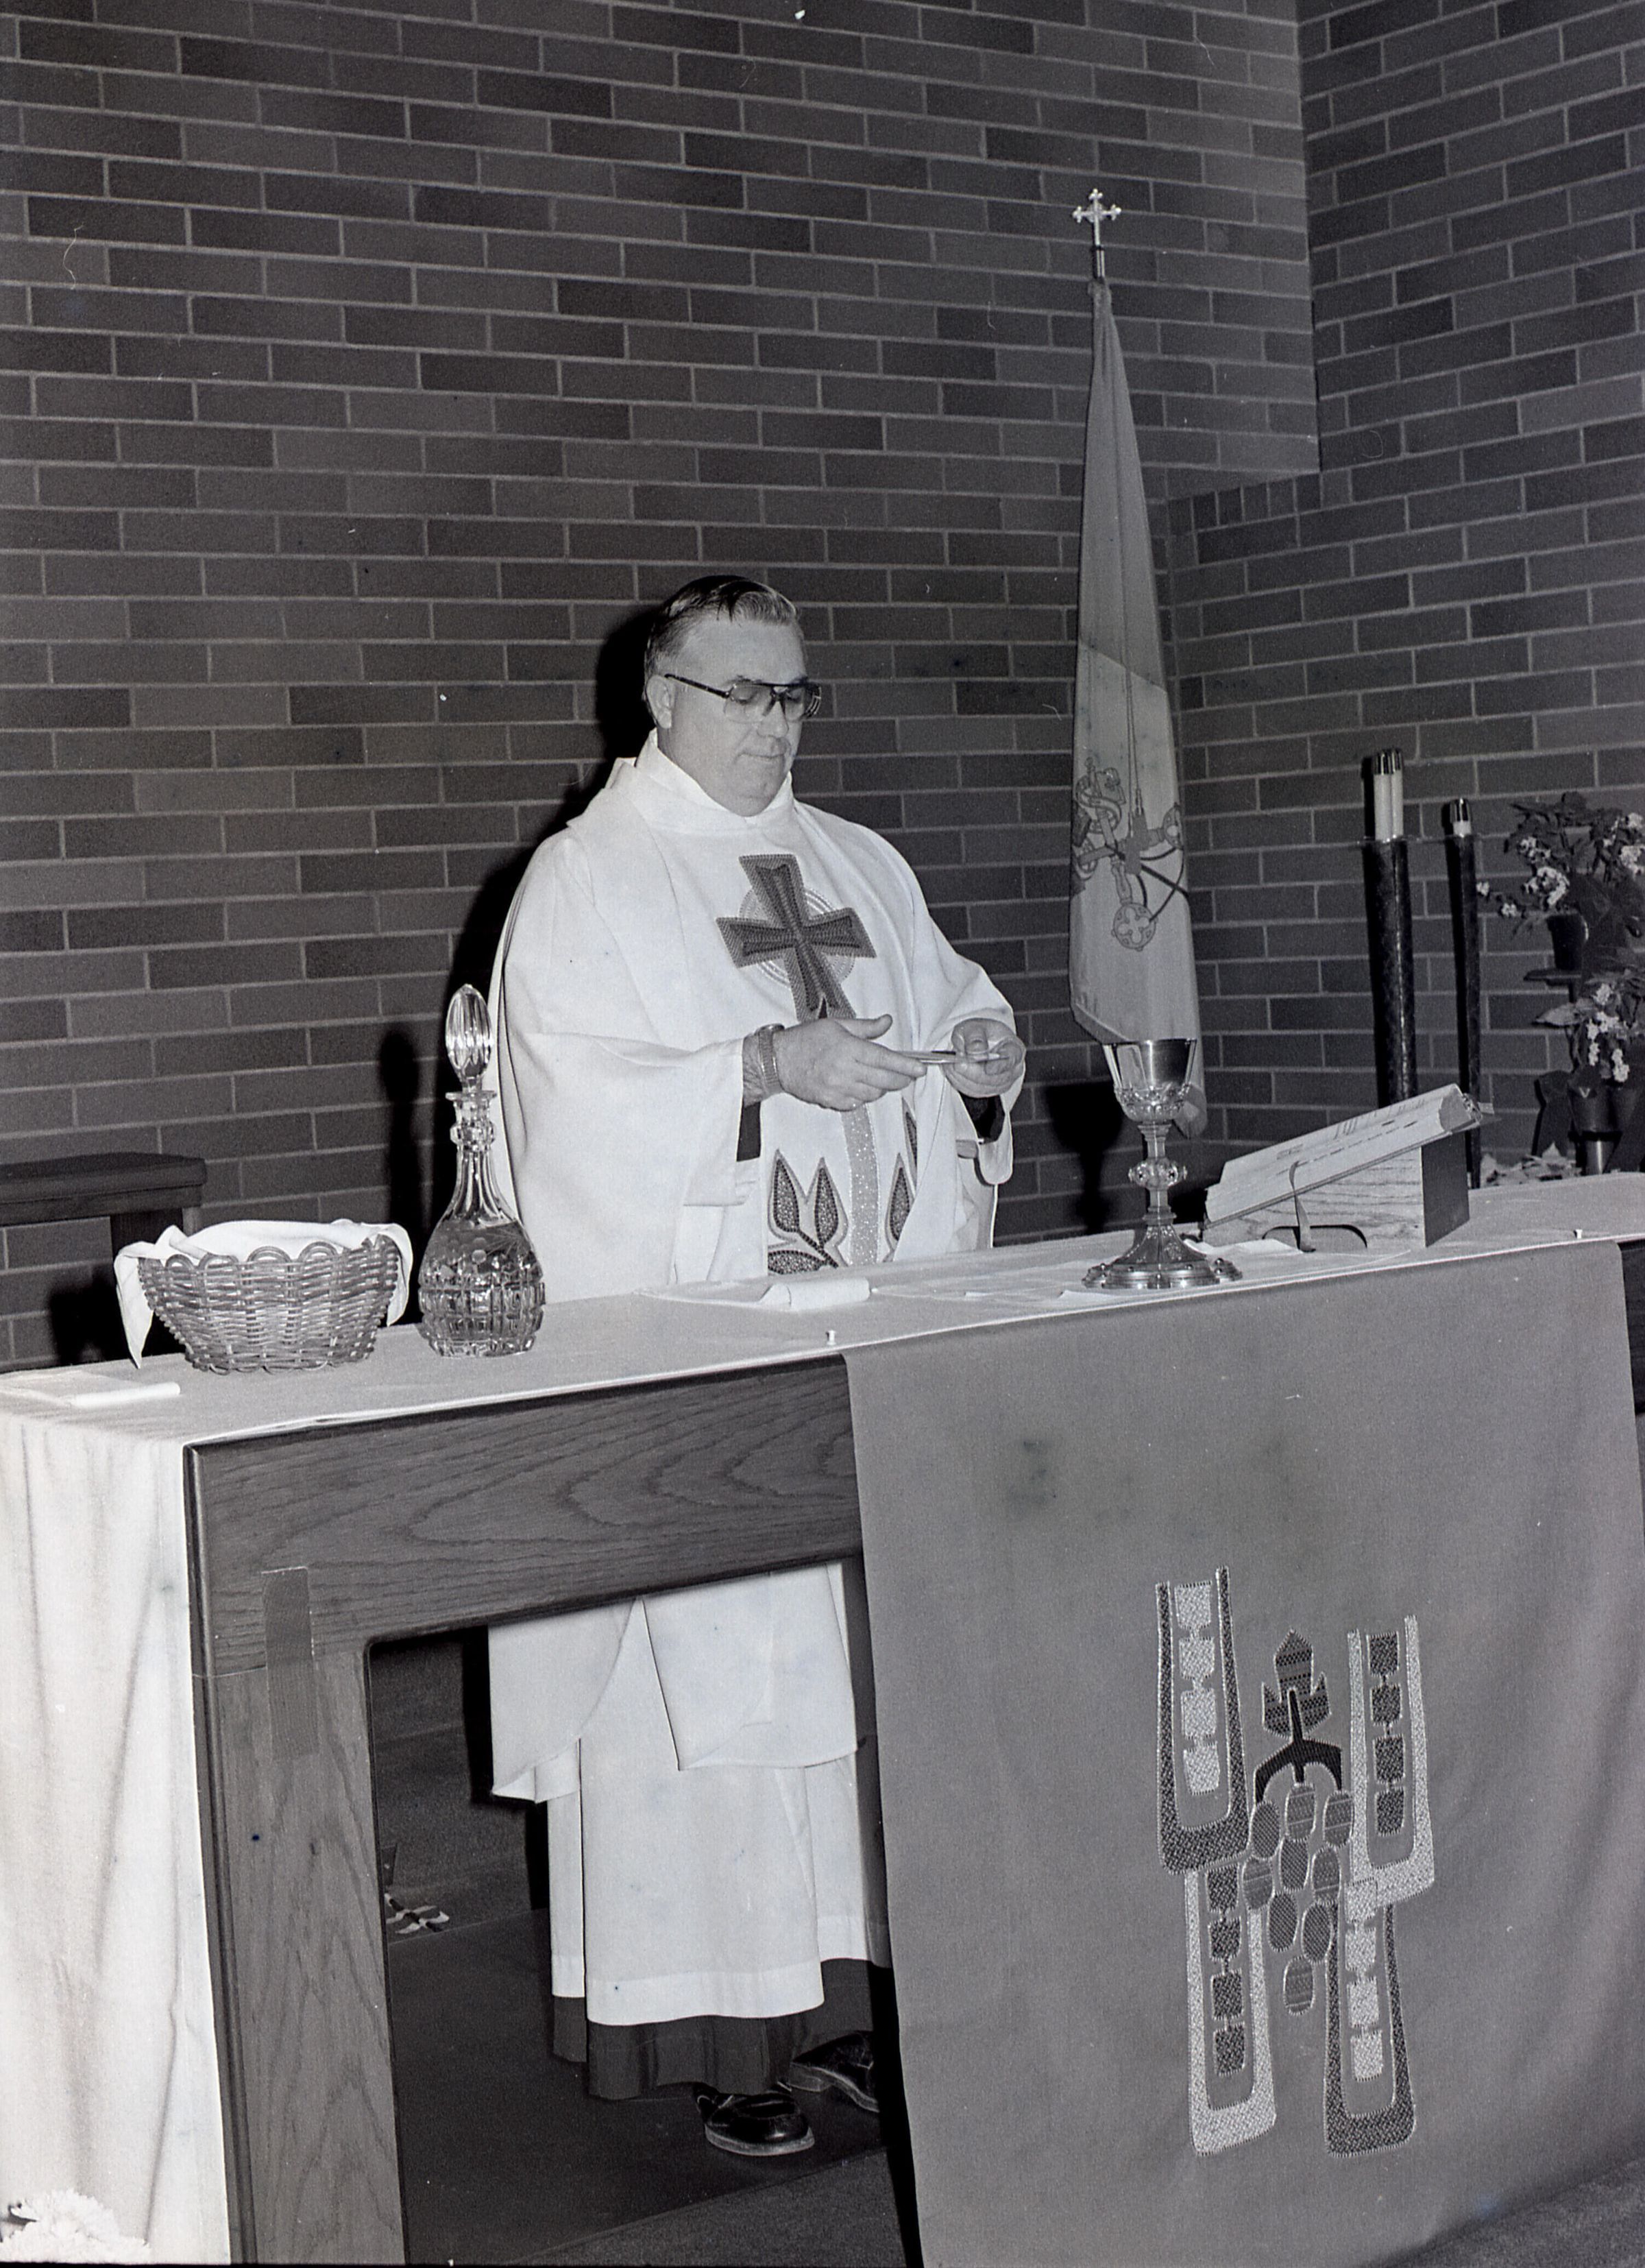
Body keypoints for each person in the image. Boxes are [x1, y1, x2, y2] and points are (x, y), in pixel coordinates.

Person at [484, 575, 1025, 2156]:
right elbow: (562, 1108)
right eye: (742, 693)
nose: (772, 724)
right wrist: (760, 1065)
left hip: (864, 1340)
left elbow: (955, 1003)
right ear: (659, 698)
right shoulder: (586, 880)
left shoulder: (857, 861)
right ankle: (724, 2039)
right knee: (707, 1689)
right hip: (699, 1360)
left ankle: (858, 2007)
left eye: (793, 695)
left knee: (856, 1682)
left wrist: (981, 1061)